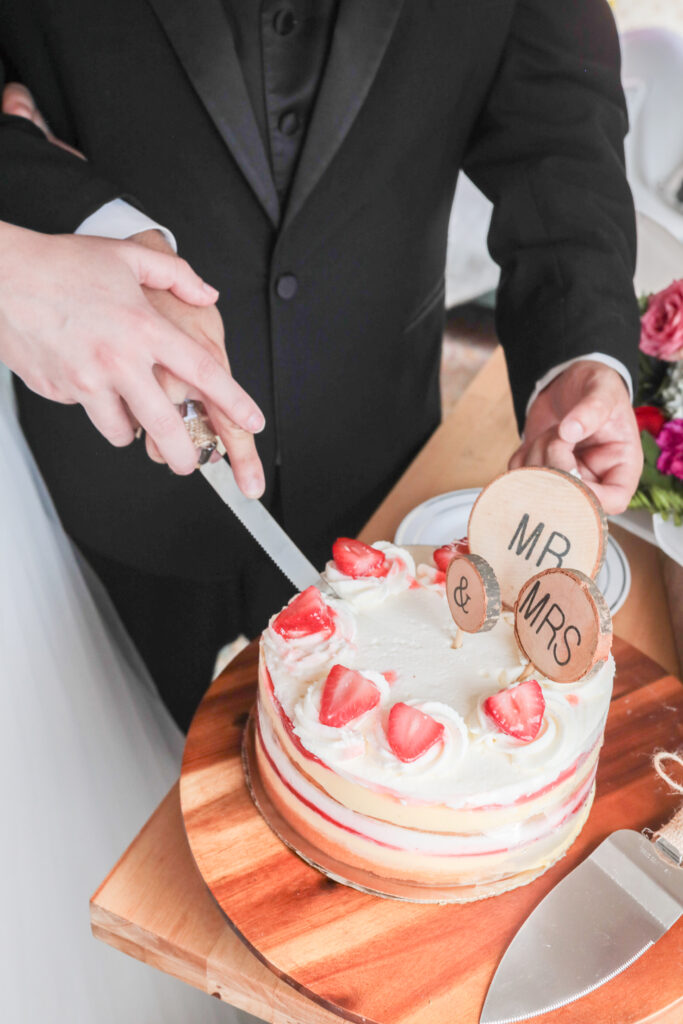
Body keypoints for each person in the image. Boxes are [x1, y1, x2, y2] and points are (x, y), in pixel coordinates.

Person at [0, 0, 642, 737]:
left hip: (374, 448)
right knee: (120, 775)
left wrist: (575, 346)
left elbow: (557, 123)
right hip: (110, 462)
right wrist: (60, 207)